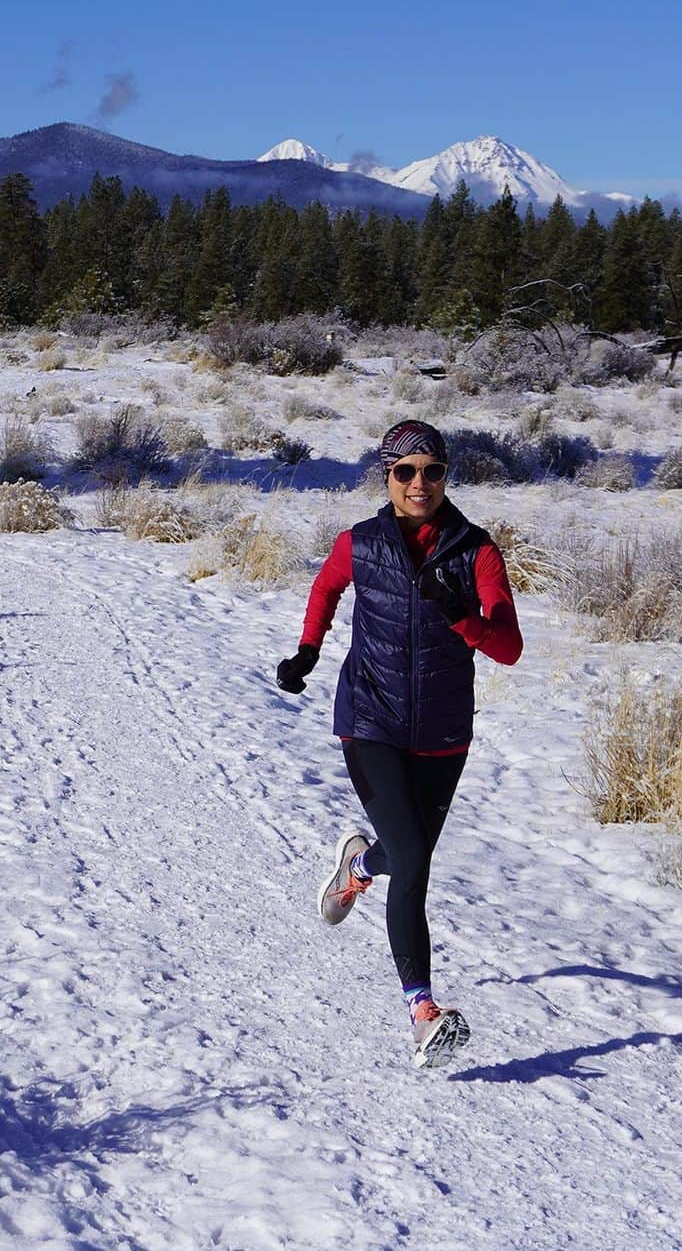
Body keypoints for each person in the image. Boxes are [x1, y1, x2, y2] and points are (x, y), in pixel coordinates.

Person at [276, 420, 523, 1068]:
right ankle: (423, 1012)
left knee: (402, 854)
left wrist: (459, 614)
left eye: (432, 471)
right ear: (385, 477)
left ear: (447, 475)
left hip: (443, 733)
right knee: (414, 859)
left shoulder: (478, 553)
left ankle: (357, 867)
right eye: (405, 472)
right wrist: (307, 650)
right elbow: (327, 586)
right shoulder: (359, 544)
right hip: (370, 720)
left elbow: (509, 648)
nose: (420, 484)